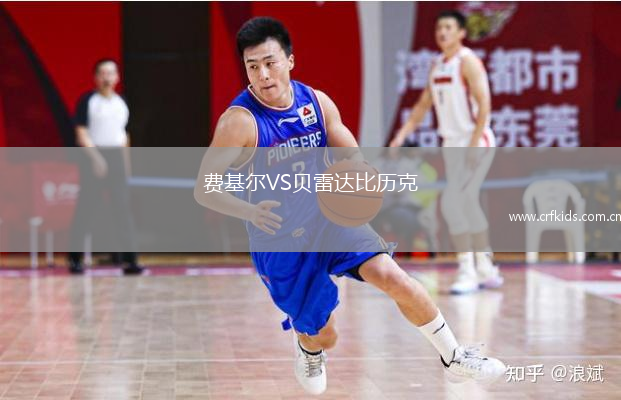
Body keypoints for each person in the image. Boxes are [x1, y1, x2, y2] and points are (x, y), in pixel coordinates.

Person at [195, 17, 506, 395]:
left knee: (393, 276)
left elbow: (352, 157)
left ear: (290, 60)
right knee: (327, 336)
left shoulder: (316, 102)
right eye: (252, 66)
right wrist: (249, 212)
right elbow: (204, 188)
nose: (263, 74)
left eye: (270, 62)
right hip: (280, 239)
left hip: (329, 219)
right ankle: (308, 345)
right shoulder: (239, 122)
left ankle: (453, 357)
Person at [391, 10, 503, 295]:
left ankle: (467, 270)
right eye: (439, 27)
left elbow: (485, 105)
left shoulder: (468, 62)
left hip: (476, 140)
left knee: (454, 203)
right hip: (452, 144)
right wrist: (400, 136)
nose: (442, 32)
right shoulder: (438, 65)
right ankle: (486, 266)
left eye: (449, 27)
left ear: (461, 32)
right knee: (468, 203)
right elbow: (422, 106)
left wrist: (474, 144)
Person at [68, 59, 142, 275]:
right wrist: (96, 158)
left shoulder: (121, 102)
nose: (107, 78)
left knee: (123, 210)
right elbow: (81, 133)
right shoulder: (88, 101)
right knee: (86, 208)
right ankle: (75, 259)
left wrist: (126, 166)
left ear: (117, 77)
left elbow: (124, 135)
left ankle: (130, 261)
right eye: (102, 73)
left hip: (116, 157)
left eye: (111, 73)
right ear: (95, 77)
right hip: (93, 155)